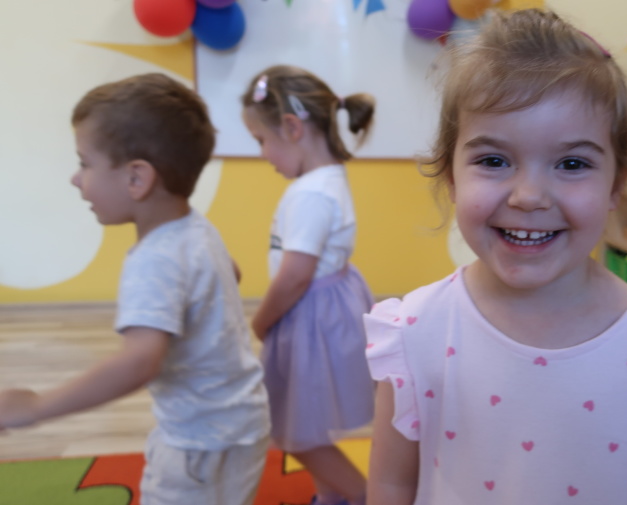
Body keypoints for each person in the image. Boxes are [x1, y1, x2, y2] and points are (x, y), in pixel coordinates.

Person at [363, 9, 627, 505]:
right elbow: (391, 484)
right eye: (494, 160)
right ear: (452, 177)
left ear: (616, 185)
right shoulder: (414, 334)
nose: (529, 196)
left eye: (572, 163)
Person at [0, 73, 271, 505]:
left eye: (85, 163)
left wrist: (36, 406)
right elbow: (231, 274)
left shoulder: (153, 259)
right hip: (244, 421)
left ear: (136, 179)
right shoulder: (196, 228)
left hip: (196, 442)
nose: (76, 179)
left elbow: (139, 362)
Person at [240, 65, 376, 505]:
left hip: (309, 317)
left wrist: (260, 321)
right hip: (321, 309)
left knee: (296, 434)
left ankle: (364, 497)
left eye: (261, 140)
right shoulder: (326, 179)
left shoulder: (311, 193)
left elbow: (296, 274)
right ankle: (333, 498)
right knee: (306, 423)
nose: (263, 154)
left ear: (292, 128)